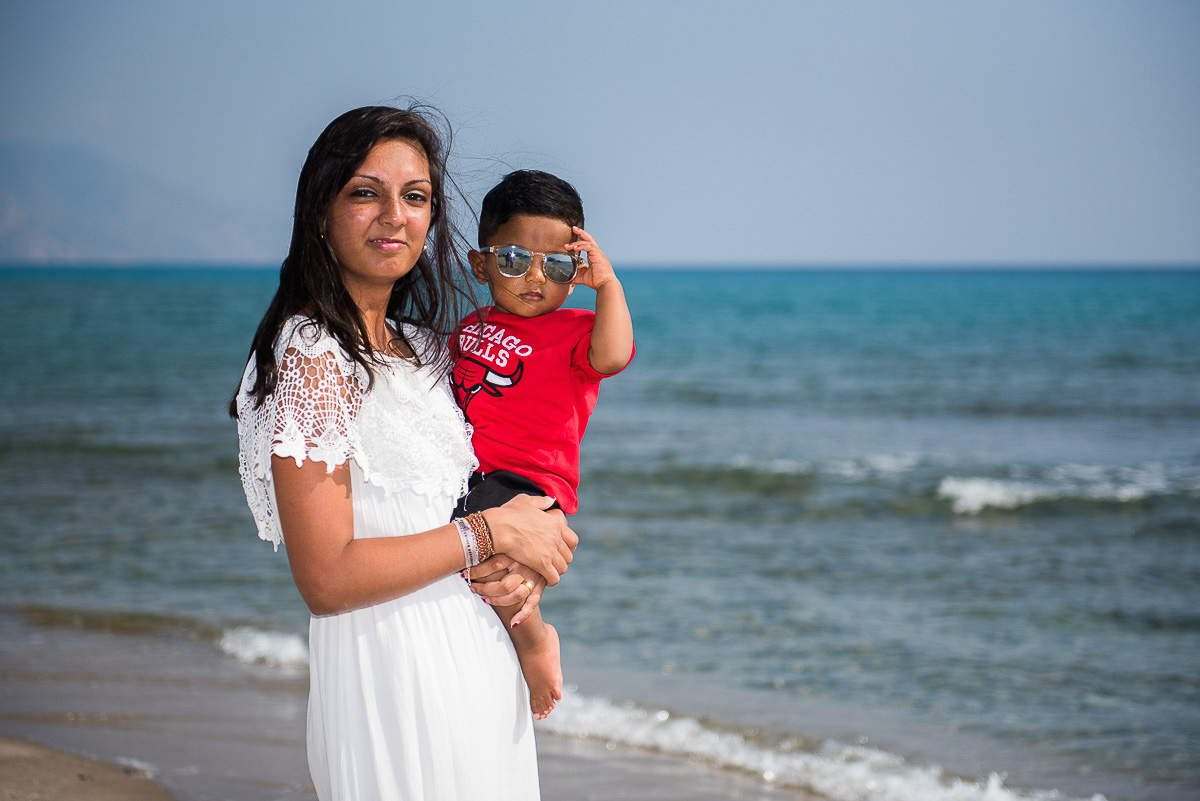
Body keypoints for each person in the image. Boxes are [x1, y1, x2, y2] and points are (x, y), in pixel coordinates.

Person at [231, 106, 577, 801]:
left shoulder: (430, 351)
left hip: (480, 672)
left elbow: (521, 463)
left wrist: (531, 565)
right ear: (320, 212)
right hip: (391, 683)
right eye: (366, 192)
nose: (394, 214)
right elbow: (326, 577)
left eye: (414, 196)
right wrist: (494, 532)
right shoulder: (310, 355)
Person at [449, 170, 635, 720]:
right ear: (479, 264)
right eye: (512, 260)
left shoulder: (577, 329)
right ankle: (506, 640)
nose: (535, 277)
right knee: (467, 553)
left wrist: (608, 287)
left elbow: (614, 355)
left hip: (527, 478)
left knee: (491, 565)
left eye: (555, 266)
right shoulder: (470, 325)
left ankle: (534, 639)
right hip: (472, 471)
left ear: (573, 272)